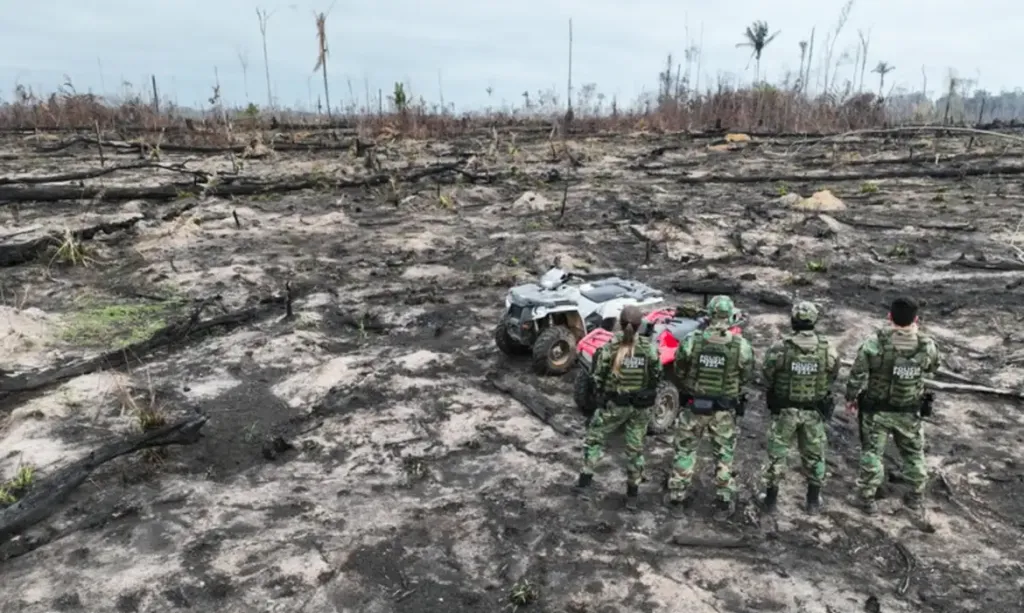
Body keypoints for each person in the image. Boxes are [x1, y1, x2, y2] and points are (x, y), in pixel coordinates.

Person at [845, 297, 939, 515]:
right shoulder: (926, 345)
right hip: (909, 410)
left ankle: (866, 498)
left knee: (872, 453)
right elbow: (932, 368)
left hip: (876, 411)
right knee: (913, 453)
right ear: (916, 319)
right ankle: (916, 496)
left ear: (889, 316)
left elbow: (858, 373)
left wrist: (850, 397)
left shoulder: (874, 343)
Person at [665, 295, 754, 518]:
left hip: (695, 406)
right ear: (730, 316)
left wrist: (692, 384)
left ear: (710, 315)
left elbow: (680, 369)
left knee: (685, 450)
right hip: (723, 410)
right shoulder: (740, 345)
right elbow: (746, 375)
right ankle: (723, 501)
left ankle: (677, 499)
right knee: (724, 455)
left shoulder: (692, 340)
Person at [575, 304, 663, 511]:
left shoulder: (610, 347)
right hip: (640, 407)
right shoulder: (649, 348)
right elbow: (657, 375)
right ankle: (632, 496)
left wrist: (603, 394)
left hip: (615, 405)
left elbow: (597, 376)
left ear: (620, 324)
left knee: (594, 439)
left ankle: (584, 484)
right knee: (635, 449)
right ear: (640, 325)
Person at [759, 301, 840, 514]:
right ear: (814, 321)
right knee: (814, 455)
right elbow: (833, 375)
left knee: (777, 455)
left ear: (793, 321)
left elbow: (766, 375)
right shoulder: (827, 348)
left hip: (784, 411)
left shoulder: (780, 348)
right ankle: (812, 502)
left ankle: (770, 501)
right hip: (814, 411)